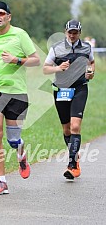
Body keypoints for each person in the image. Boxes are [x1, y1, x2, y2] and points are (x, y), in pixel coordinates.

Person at [0, 1, 40, 194]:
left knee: (13, 140)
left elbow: (36, 60)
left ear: (9, 17)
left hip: (17, 93)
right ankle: (2, 182)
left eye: (2, 13)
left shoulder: (20, 35)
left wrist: (16, 60)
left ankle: (21, 153)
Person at [43, 19, 95, 180]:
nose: (72, 35)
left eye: (75, 32)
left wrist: (91, 72)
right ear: (65, 32)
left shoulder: (86, 47)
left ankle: (72, 165)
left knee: (75, 125)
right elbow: (45, 68)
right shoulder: (56, 48)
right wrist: (58, 68)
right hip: (61, 90)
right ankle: (76, 156)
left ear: (80, 33)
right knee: (66, 129)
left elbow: (91, 62)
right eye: (70, 32)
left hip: (80, 88)